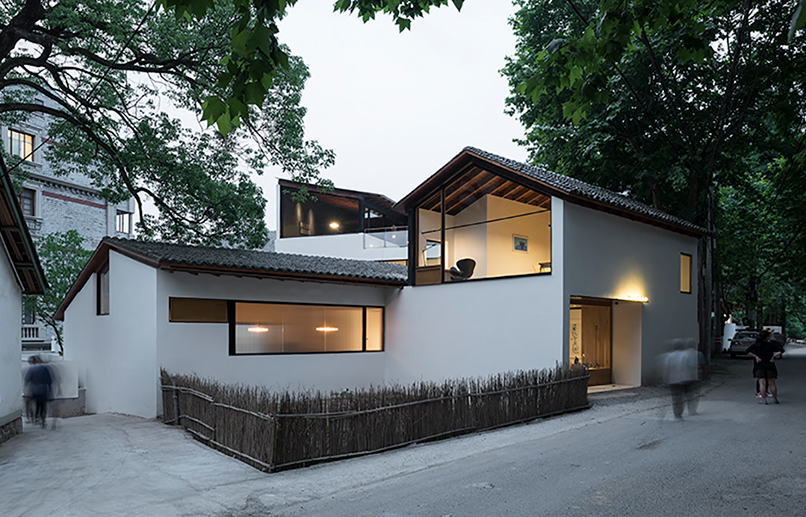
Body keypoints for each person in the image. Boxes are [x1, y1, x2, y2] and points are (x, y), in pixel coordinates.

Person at [664, 339, 704, 419]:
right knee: (689, 395)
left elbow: (666, 368)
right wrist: (694, 376)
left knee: (676, 397)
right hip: (687, 379)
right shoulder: (686, 355)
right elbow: (691, 367)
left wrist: (665, 378)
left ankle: (677, 414)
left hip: (674, 380)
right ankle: (691, 410)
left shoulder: (669, 356)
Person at [746, 330, 785, 404]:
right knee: (772, 383)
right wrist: (774, 356)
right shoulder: (771, 344)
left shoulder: (756, 345)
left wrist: (755, 356)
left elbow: (747, 351)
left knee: (762, 383)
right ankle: (775, 399)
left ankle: (764, 400)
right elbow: (781, 350)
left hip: (759, 365)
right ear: (767, 337)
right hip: (770, 365)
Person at [24, 355, 53, 428]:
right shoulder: (45, 368)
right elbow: (49, 381)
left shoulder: (31, 369)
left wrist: (27, 389)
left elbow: (27, 380)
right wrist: (50, 390)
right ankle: (43, 419)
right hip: (44, 390)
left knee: (37, 404)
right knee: (43, 405)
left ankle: (36, 417)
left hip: (34, 390)